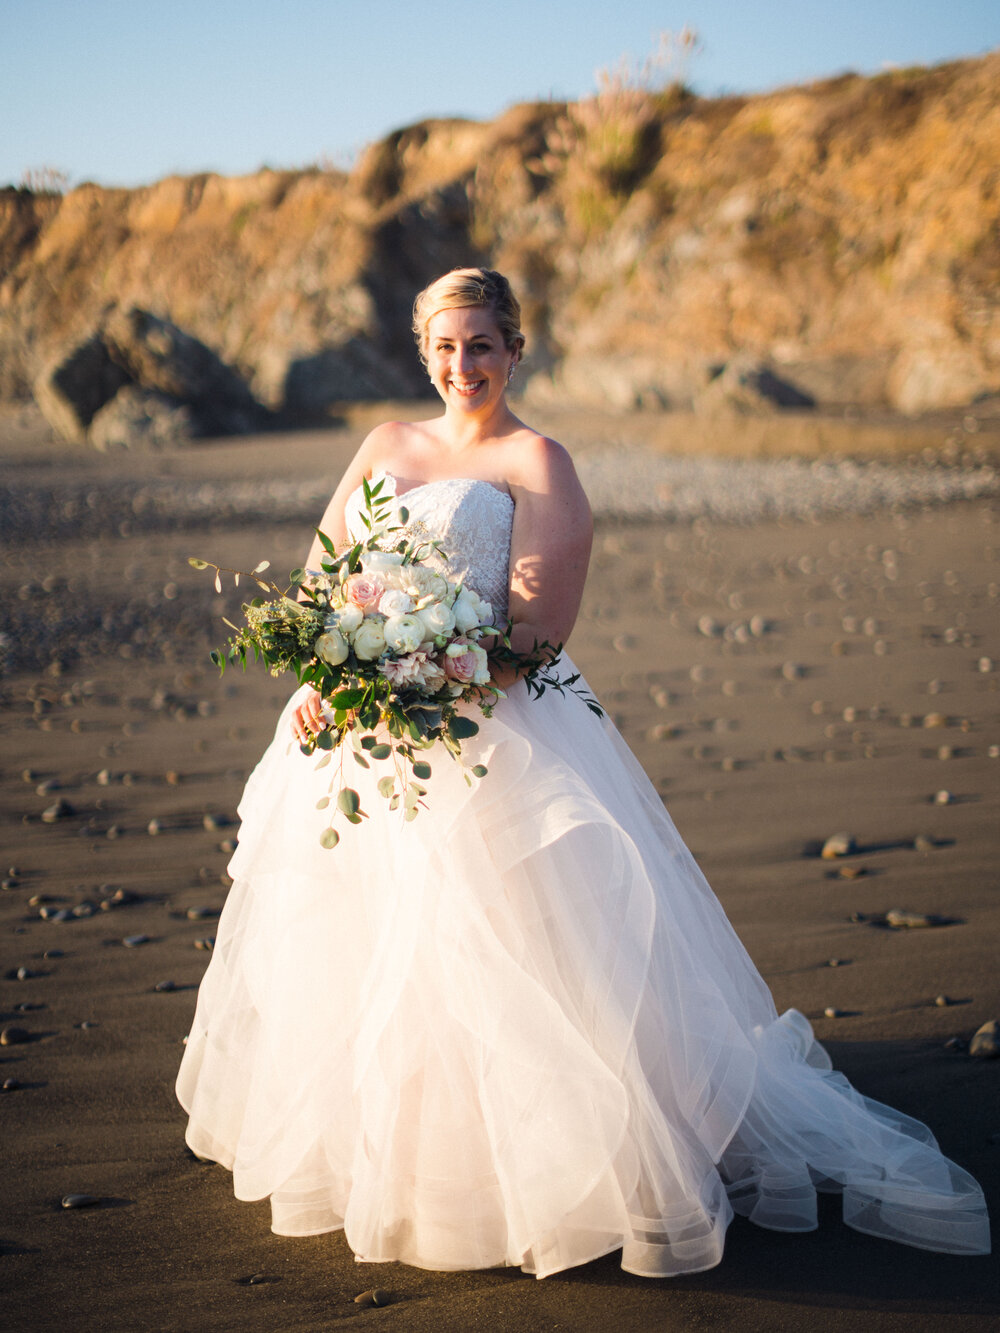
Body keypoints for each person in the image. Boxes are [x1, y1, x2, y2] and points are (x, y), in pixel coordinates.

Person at [177, 267, 989, 1279]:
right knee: (366, 936)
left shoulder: (537, 460)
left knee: (509, 945)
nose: (461, 364)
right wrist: (325, 670)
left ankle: (558, 1161)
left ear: (515, 352)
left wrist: (423, 674)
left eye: (480, 345)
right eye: (443, 345)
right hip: (361, 725)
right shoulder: (385, 447)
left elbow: (537, 630)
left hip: (488, 724)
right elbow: (323, 575)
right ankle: (396, 1154)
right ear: (422, 352)